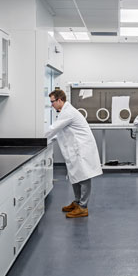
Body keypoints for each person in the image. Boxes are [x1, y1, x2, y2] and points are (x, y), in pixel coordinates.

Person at [45, 89, 103, 218]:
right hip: (76, 149)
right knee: (75, 176)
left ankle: (83, 207)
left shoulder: (68, 112)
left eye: (53, 102)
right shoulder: (64, 112)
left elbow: (53, 129)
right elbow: (60, 132)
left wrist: (37, 138)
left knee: (84, 176)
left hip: (82, 149)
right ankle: (77, 202)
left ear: (60, 100)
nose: (52, 104)